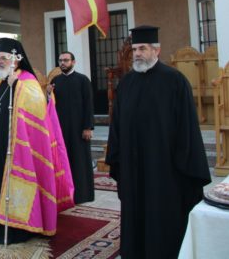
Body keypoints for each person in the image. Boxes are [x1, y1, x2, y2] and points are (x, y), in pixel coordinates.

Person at [106, 25, 211, 258]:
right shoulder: (126, 84)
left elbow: (187, 129)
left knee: (162, 218)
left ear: (157, 50)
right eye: (135, 49)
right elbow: (117, 126)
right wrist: (117, 157)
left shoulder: (175, 82)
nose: (137, 54)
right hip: (133, 169)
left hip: (164, 171)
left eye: (142, 48)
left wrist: (184, 168)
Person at [0, 38, 74, 244]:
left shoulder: (27, 81)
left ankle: (16, 225)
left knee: (13, 183)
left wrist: (17, 85)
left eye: (4, 58)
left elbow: (37, 108)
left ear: (16, 60)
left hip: (17, 147)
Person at [48, 51, 95, 204]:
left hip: (79, 129)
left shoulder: (83, 80)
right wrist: (48, 94)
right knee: (63, 160)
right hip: (60, 129)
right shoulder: (55, 81)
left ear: (73, 62)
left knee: (80, 161)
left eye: (66, 60)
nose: (63, 63)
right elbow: (50, 106)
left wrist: (88, 127)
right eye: (60, 60)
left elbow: (89, 105)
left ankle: (82, 194)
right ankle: (65, 193)